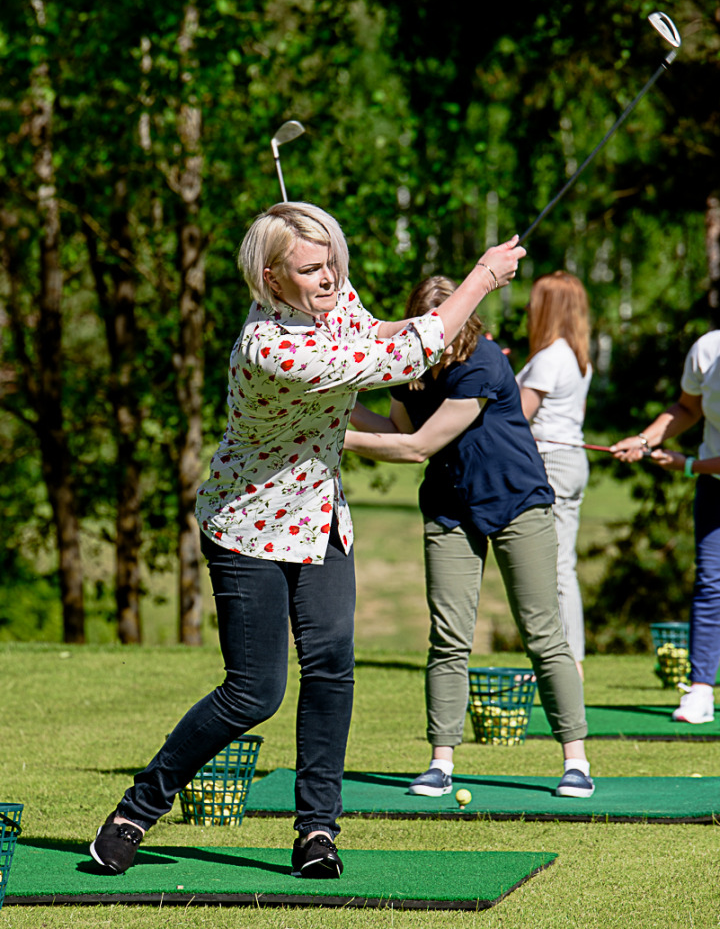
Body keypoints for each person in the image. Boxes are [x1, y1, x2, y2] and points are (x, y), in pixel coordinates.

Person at [89, 202, 525, 878]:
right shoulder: (272, 348)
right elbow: (399, 355)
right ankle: (137, 809)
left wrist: (416, 311)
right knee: (253, 694)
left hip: (320, 520)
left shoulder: (330, 299)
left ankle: (316, 833)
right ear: (271, 276)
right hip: (248, 526)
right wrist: (481, 278)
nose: (329, 278)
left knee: (331, 669)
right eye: (311, 268)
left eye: (331, 264)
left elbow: (380, 328)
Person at [344, 275, 593, 800]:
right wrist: (332, 405)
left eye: (453, 330)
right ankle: (440, 762)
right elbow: (394, 430)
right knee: (448, 637)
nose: (445, 344)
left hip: (517, 501)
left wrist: (333, 434)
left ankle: (576, 761)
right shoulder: (410, 369)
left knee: (543, 634)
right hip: (450, 507)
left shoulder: (482, 362)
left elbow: (417, 447)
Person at [611, 329, 720, 724]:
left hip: (705, 471)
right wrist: (643, 439)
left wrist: (687, 465)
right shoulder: (707, 350)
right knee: (710, 582)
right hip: (716, 489)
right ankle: (702, 691)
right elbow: (688, 409)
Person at [515, 272, 592, 679]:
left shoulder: (550, 357)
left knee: (556, 566)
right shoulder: (577, 357)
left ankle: (569, 664)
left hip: (553, 464)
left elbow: (516, 417)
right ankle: (568, 660)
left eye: (535, 300)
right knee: (564, 564)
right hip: (572, 460)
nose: (529, 307)